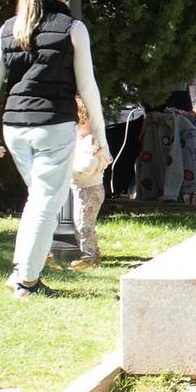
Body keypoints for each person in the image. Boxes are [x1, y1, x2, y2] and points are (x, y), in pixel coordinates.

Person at [0, 0, 111, 298]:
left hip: (15, 126)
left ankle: (22, 270)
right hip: (54, 124)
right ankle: (27, 281)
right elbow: (87, 86)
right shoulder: (73, 28)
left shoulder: (10, 28)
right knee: (47, 202)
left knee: (39, 200)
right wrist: (100, 133)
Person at [69, 95, 111, 269]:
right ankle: (93, 254)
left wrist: (69, 173)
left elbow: (84, 168)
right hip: (84, 188)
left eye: (78, 124)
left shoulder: (91, 142)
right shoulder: (85, 141)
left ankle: (90, 258)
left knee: (84, 224)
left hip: (89, 189)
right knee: (82, 222)